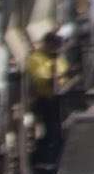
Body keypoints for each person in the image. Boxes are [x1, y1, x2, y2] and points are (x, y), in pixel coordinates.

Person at [28, 29, 71, 165]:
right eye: (54, 45)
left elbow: (64, 72)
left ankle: (58, 161)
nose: (57, 48)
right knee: (48, 132)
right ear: (47, 44)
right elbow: (40, 77)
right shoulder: (36, 58)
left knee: (60, 132)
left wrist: (59, 78)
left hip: (59, 100)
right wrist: (55, 76)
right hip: (44, 100)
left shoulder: (58, 58)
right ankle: (45, 160)